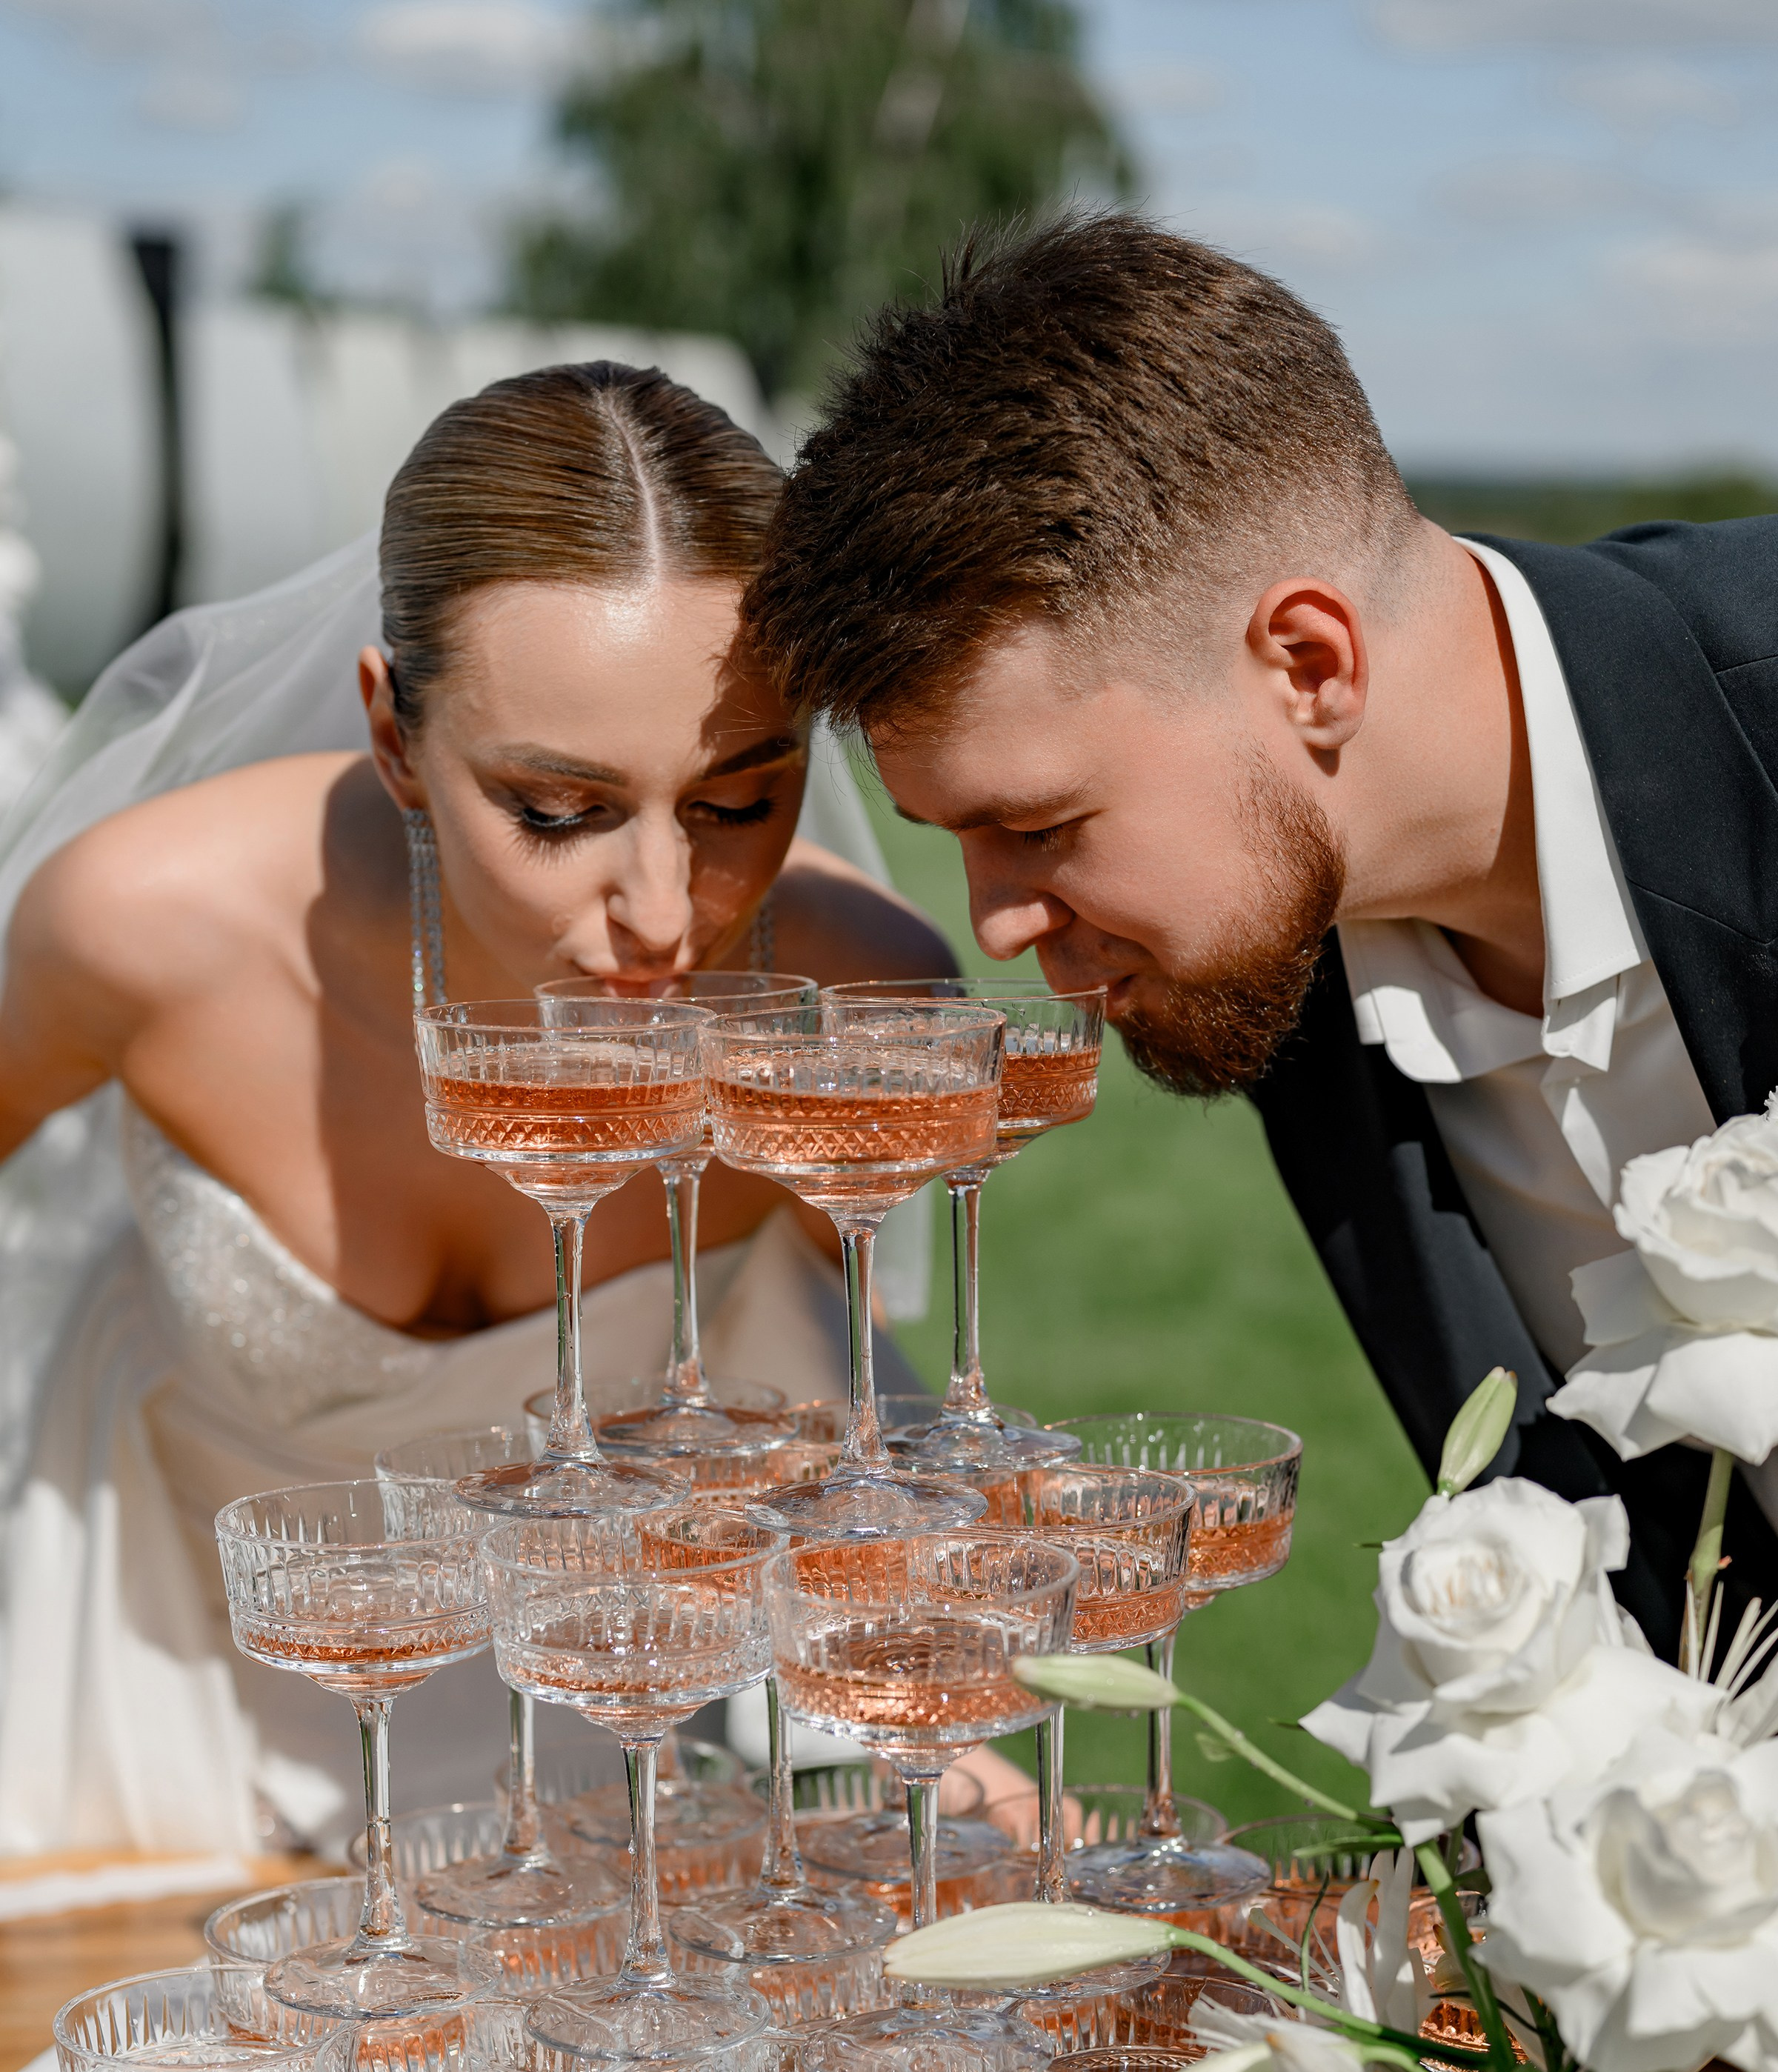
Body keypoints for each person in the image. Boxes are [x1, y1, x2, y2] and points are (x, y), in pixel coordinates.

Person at [742, 211, 1778, 1660]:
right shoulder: (1276, 956)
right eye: (957, 843)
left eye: (1040, 826)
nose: (997, 923)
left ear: (1308, 665)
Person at [0, 361, 952, 1856]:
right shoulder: (145, 928)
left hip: (607, 1818)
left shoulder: (862, 1000)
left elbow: (863, 1446)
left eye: (737, 802)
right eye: (559, 813)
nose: (660, 911)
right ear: (393, 736)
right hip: (140, 1756)